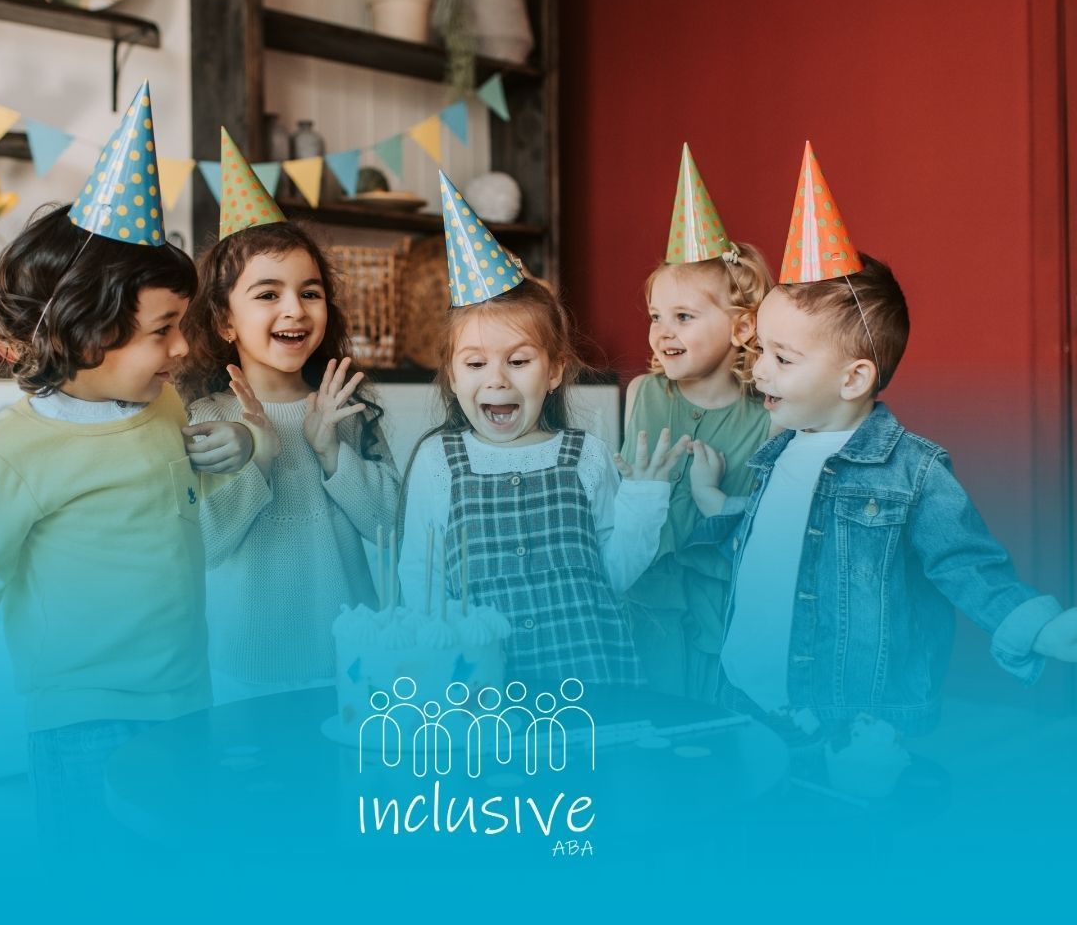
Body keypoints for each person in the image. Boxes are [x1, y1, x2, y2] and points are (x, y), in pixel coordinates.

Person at [0, 84, 255, 845]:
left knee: (185, 877)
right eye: (163, 330)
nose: (183, 349)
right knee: (95, 883)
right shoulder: (16, 453)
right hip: (84, 719)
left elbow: (187, 491)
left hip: (188, 697)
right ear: (86, 336)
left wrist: (239, 447)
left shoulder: (165, 404)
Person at [688, 143, 1077, 734]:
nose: (759, 369)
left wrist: (1036, 626)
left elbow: (966, 562)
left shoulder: (912, 474)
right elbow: (775, 540)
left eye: (782, 358)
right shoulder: (779, 451)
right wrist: (719, 506)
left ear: (853, 378)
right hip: (746, 697)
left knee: (844, 823)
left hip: (851, 719)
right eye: (759, 350)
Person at [397, 171, 682, 686]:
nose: (497, 380)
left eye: (519, 360)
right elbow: (421, 577)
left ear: (553, 371)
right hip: (481, 682)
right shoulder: (438, 462)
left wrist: (644, 498)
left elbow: (611, 578)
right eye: (476, 363)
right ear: (453, 375)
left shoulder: (588, 456)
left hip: (589, 676)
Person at [177, 129, 399, 702]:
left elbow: (392, 525)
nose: (294, 310)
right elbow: (205, 542)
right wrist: (260, 456)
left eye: (311, 292)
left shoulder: (346, 405)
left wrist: (332, 453)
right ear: (225, 321)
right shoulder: (204, 414)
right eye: (267, 294)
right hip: (245, 669)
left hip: (350, 661)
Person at [621, 144, 774, 700]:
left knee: (717, 715)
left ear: (740, 328)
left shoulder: (768, 417)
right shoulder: (641, 393)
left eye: (684, 317)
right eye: (656, 316)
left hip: (721, 597)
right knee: (652, 713)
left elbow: (766, 525)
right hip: (647, 591)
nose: (663, 331)